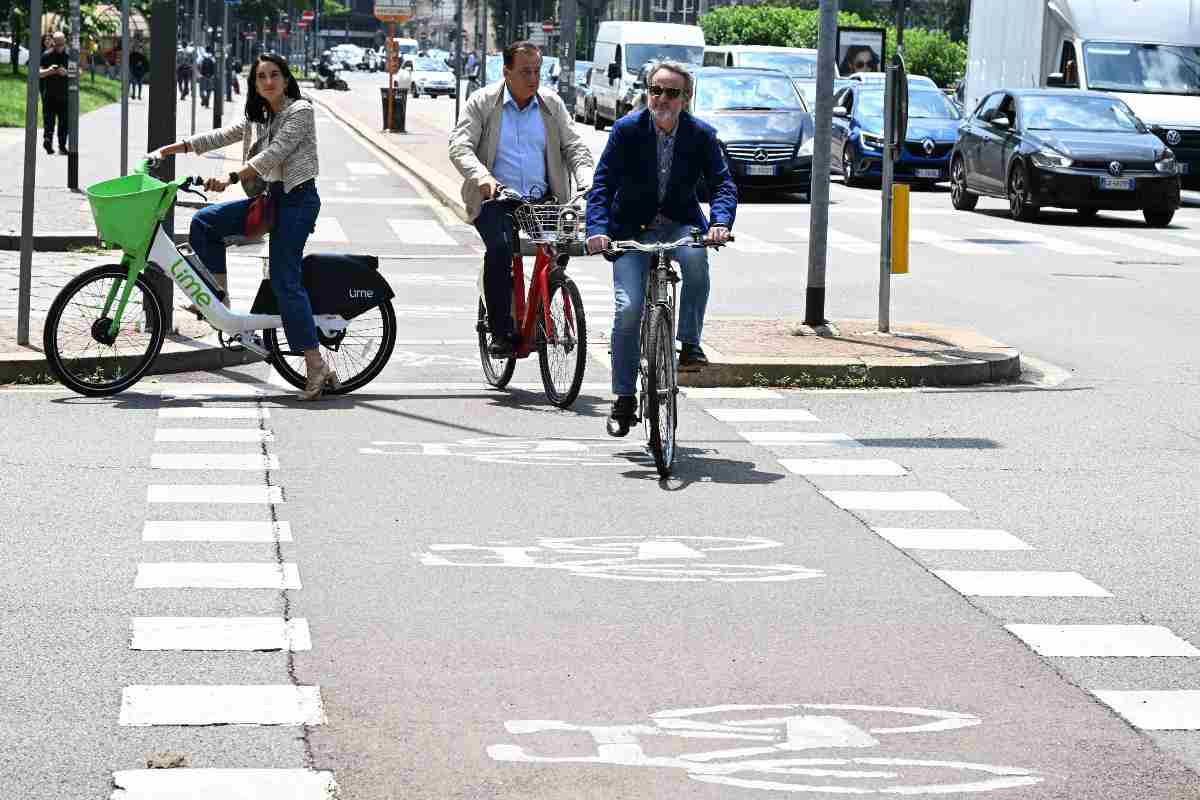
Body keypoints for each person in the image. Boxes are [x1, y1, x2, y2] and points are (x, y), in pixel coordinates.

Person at [151, 54, 332, 400]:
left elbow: (274, 155)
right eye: (261, 77)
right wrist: (173, 148)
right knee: (204, 223)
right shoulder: (259, 116)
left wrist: (232, 177)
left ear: (286, 79)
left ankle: (316, 363)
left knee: (284, 279)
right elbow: (221, 136)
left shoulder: (300, 111)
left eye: (274, 75)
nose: (267, 81)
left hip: (297, 201)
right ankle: (220, 299)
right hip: (270, 200)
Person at [585, 60, 736, 436]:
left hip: (680, 224)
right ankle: (623, 399)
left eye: (671, 93)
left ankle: (689, 343)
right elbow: (603, 183)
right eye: (656, 90)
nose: (662, 99)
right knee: (629, 308)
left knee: (697, 260)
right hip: (630, 230)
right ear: (647, 92)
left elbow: (722, 184)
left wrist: (720, 223)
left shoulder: (701, 135)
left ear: (686, 98)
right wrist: (597, 229)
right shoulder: (626, 130)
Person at [448, 40, 594, 358]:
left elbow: (575, 146)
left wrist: (586, 179)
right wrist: (483, 177)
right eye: (525, 71)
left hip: (543, 199)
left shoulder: (551, 104)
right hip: (496, 198)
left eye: (537, 71)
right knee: (500, 250)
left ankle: (544, 301)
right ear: (507, 72)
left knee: (559, 251)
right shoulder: (483, 102)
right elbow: (460, 146)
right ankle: (501, 333)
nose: (533, 78)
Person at [38, 32, 70, 156]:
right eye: (57, 44)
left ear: (65, 41)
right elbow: (39, 72)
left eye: (61, 43)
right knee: (48, 120)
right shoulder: (46, 55)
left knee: (64, 122)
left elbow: (78, 72)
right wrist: (49, 71)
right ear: (53, 42)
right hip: (49, 94)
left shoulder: (69, 55)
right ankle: (48, 141)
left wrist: (66, 73)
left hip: (64, 94)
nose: (59, 46)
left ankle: (62, 145)